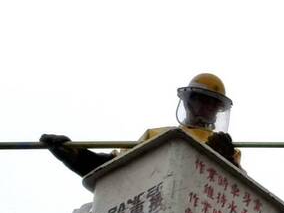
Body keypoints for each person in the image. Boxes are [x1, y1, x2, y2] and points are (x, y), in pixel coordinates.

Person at [41, 73, 240, 176]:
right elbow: (114, 167)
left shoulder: (227, 148)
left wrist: (226, 162)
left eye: (214, 104)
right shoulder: (157, 136)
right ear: (189, 101)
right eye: (203, 100)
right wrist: (76, 155)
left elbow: (240, 190)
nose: (208, 108)